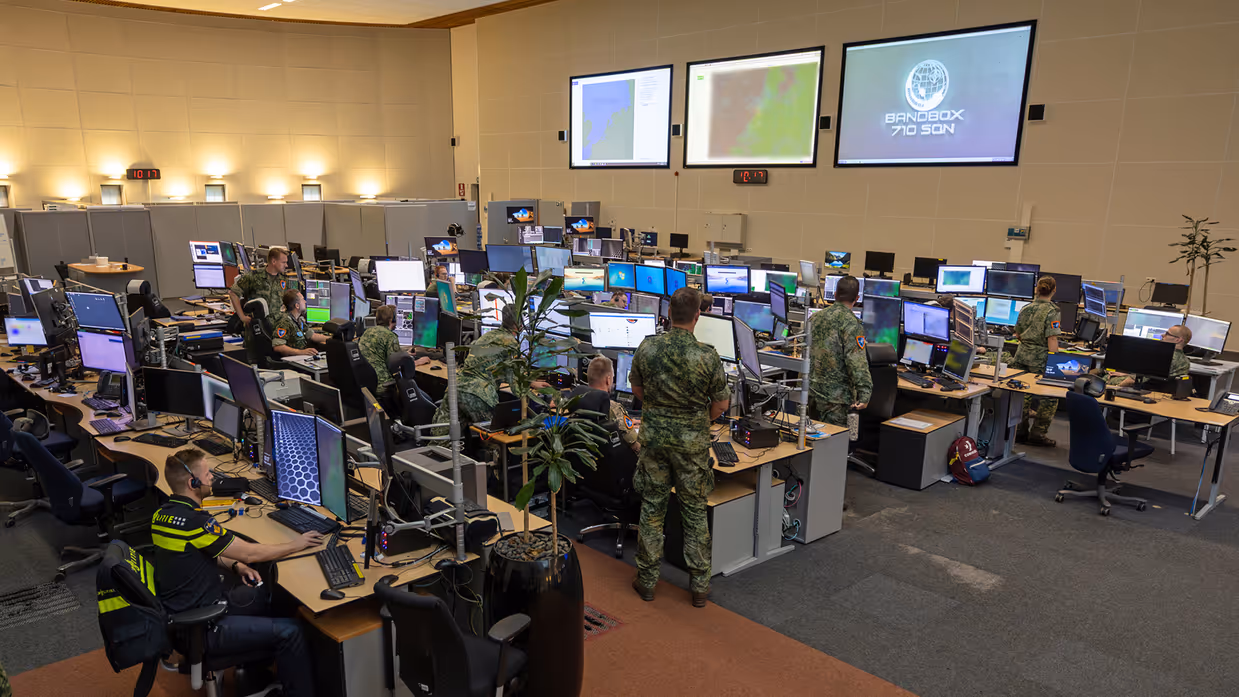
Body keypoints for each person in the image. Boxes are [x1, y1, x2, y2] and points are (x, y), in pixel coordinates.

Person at [152, 450, 322, 697]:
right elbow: (251, 554)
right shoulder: (196, 522)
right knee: (292, 632)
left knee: (263, 594)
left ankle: (254, 673)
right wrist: (298, 543)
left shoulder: (163, 515)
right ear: (193, 483)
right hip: (203, 626)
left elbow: (203, 550)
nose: (213, 478)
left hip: (187, 612)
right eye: (208, 474)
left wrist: (235, 566)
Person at [629, 287, 730, 607]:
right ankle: (699, 586)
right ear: (698, 316)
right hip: (691, 446)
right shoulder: (707, 355)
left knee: (652, 509)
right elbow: (722, 404)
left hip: (655, 440)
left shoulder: (648, 348)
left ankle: (646, 581)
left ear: (668, 314)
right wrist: (698, 419)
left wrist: (659, 409)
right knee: (694, 512)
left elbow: (637, 388)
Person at [430, 305, 547, 434]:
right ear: (518, 324)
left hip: (457, 387)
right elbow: (515, 384)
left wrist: (532, 382)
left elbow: (491, 366)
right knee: (494, 437)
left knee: (443, 437)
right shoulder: (511, 343)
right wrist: (541, 403)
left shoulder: (487, 336)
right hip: (479, 394)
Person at [807, 275, 872, 427]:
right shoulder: (852, 324)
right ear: (857, 298)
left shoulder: (815, 318)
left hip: (810, 392)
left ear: (835, 295)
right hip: (835, 399)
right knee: (832, 445)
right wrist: (865, 393)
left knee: (809, 441)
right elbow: (856, 362)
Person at [1012, 276, 1062, 446]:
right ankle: (1038, 433)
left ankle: (1019, 430)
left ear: (1036, 289)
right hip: (1041, 358)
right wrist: (1055, 362)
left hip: (1021, 355)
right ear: (1053, 290)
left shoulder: (1026, 308)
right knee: (1050, 396)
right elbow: (1052, 339)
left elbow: (1017, 334)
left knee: (1021, 394)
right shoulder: (1052, 311)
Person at [562, 355, 639, 452]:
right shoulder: (614, 408)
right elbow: (634, 445)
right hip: (609, 463)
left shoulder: (576, 399)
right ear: (608, 379)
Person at [229, 247, 294, 354]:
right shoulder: (254, 277)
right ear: (273, 261)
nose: (286, 265)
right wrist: (242, 317)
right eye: (283, 262)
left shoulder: (283, 279)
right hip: (255, 330)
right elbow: (233, 293)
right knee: (254, 360)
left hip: (274, 331)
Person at [359, 305, 429, 384]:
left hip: (366, 383)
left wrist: (405, 353)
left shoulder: (367, 332)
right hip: (382, 383)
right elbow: (396, 367)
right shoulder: (390, 336)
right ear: (391, 319)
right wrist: (418, 362)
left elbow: (381, 353)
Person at [1107, 324, 1193, 386]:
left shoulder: (1162, 357)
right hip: (1157, 392)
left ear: (1178, 340)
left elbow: (1132, 381)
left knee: (1103, 376)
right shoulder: (1185, 362)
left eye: (1167, 334)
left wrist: (1115, 388)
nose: (1163, 335)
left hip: (1138, 388)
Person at [271, 290, 327, 357]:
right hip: (292, 360)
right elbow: (278, 347)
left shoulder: (299, 320)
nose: (305, 302)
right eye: (303, 299)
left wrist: (332, 338)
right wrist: (302, 352)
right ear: (297, 306)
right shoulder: (284, 321)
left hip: (301, 357)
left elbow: (312, 335)